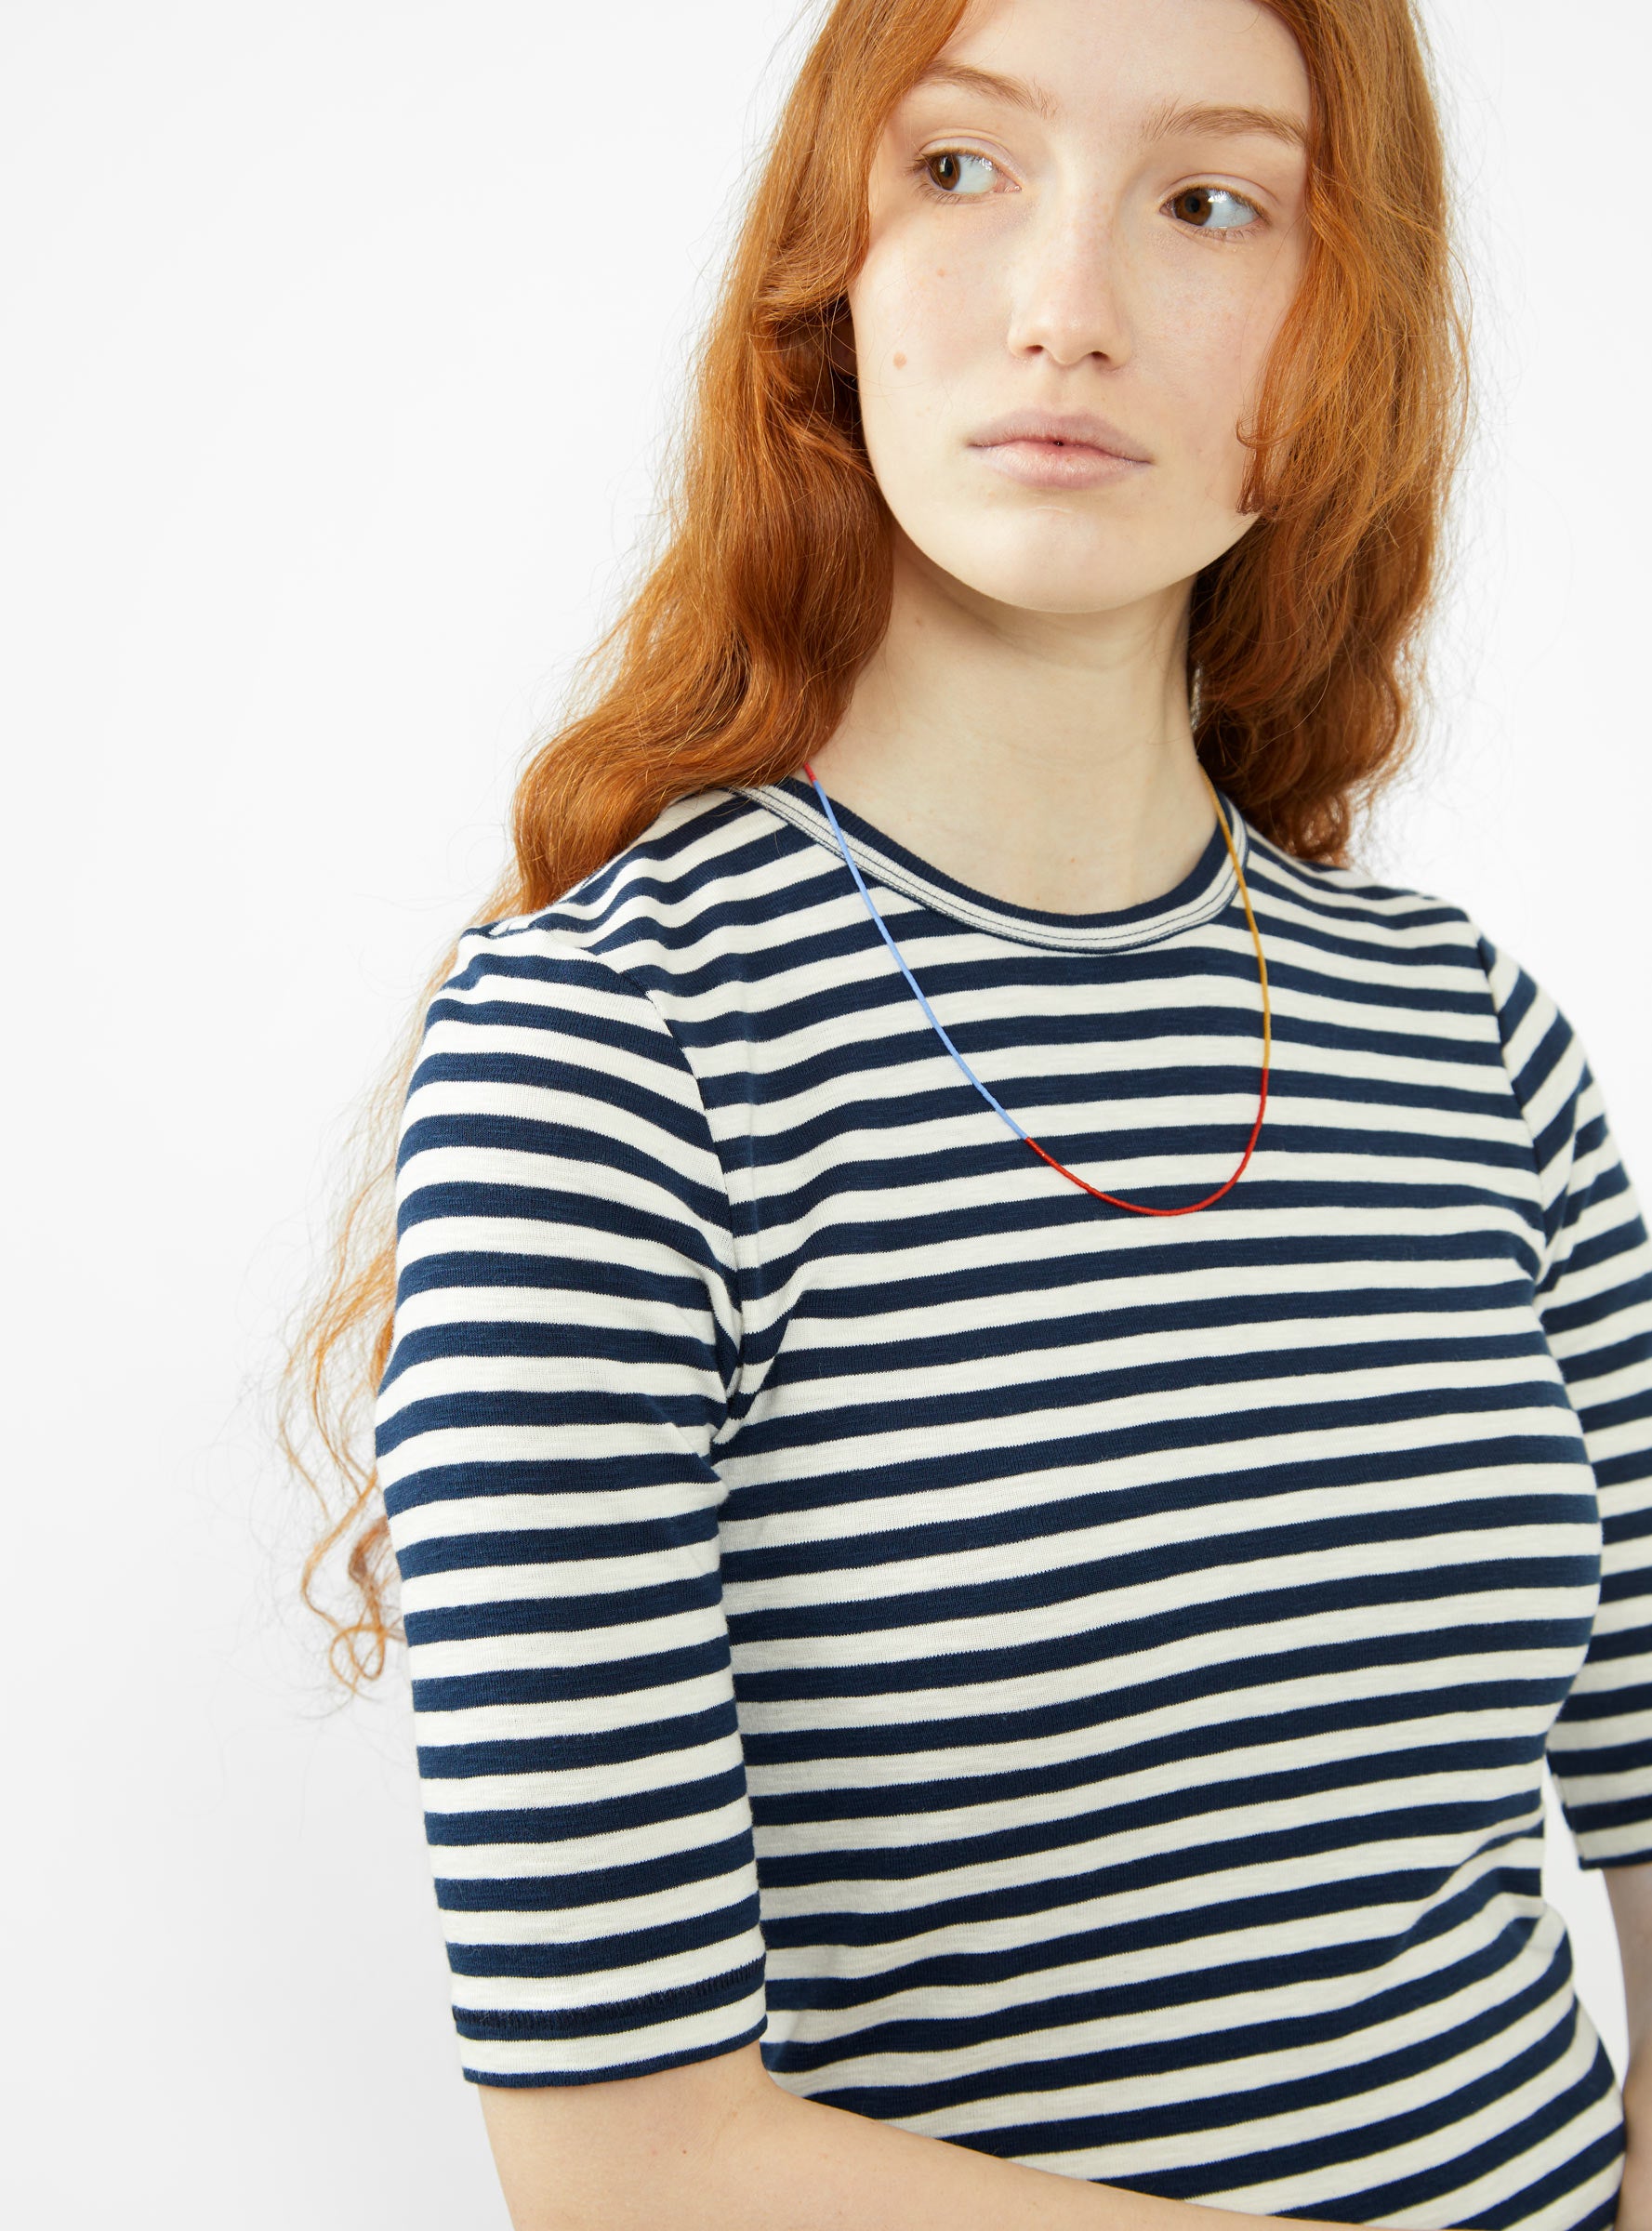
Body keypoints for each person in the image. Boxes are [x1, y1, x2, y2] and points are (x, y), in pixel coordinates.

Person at [283, 1, 1652, 2226]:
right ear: (825, 282)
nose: (1064, 306)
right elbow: (628, 2170)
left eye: (1210, 202)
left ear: (1345, 339)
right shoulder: (613, 1060)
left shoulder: (1474, 1041)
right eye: (959, 168)